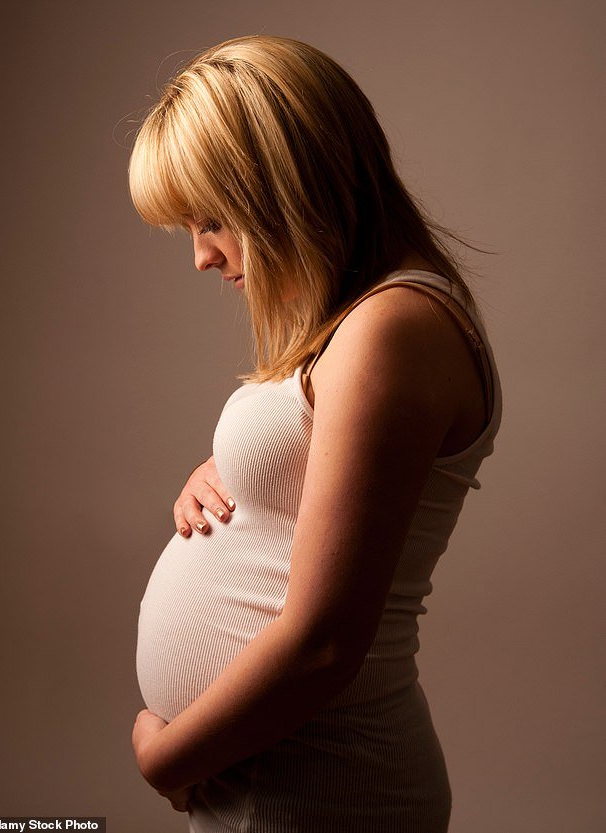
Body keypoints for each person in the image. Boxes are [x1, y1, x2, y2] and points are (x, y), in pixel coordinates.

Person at [128, 34, 502, 833]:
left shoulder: (392, 326)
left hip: (319, 790)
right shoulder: (367, 321)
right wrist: (231, 467)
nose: (200, 255)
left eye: (213, 217)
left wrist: (168, 756)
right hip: (280, 778)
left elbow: (325, 643)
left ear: (283, 186)